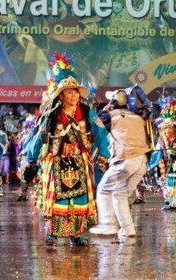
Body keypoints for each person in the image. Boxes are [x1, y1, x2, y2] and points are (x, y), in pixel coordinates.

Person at [27, 52, 110, 246]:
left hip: (79, 160)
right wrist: (31, 154)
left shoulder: (87, 112)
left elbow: (100, 132)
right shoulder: (52, 113)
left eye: (75, 91)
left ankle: (77, 233)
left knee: (79, 198)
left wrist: (104, 154)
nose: (74, 95)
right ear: (61, 95)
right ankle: (53, 233)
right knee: (57, 197)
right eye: (69, 91)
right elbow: (39, 134)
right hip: (57, 160)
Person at [89, 89, 151, 237]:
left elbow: (95, 125)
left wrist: (103, 111)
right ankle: (128, 229)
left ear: (112, 102)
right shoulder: (137, 117)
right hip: (141, 162)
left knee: (104, 189)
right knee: (120, 194)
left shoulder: (109, 116)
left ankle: (107, 224)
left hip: (125, 160)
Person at [149, 98, 176, 211]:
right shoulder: (163, 136)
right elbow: (159, 149)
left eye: (169, 127)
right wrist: (154, 160)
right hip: (170, 161)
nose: (167, 131)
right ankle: (172, 202)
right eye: (165, 128)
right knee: (170, 180)